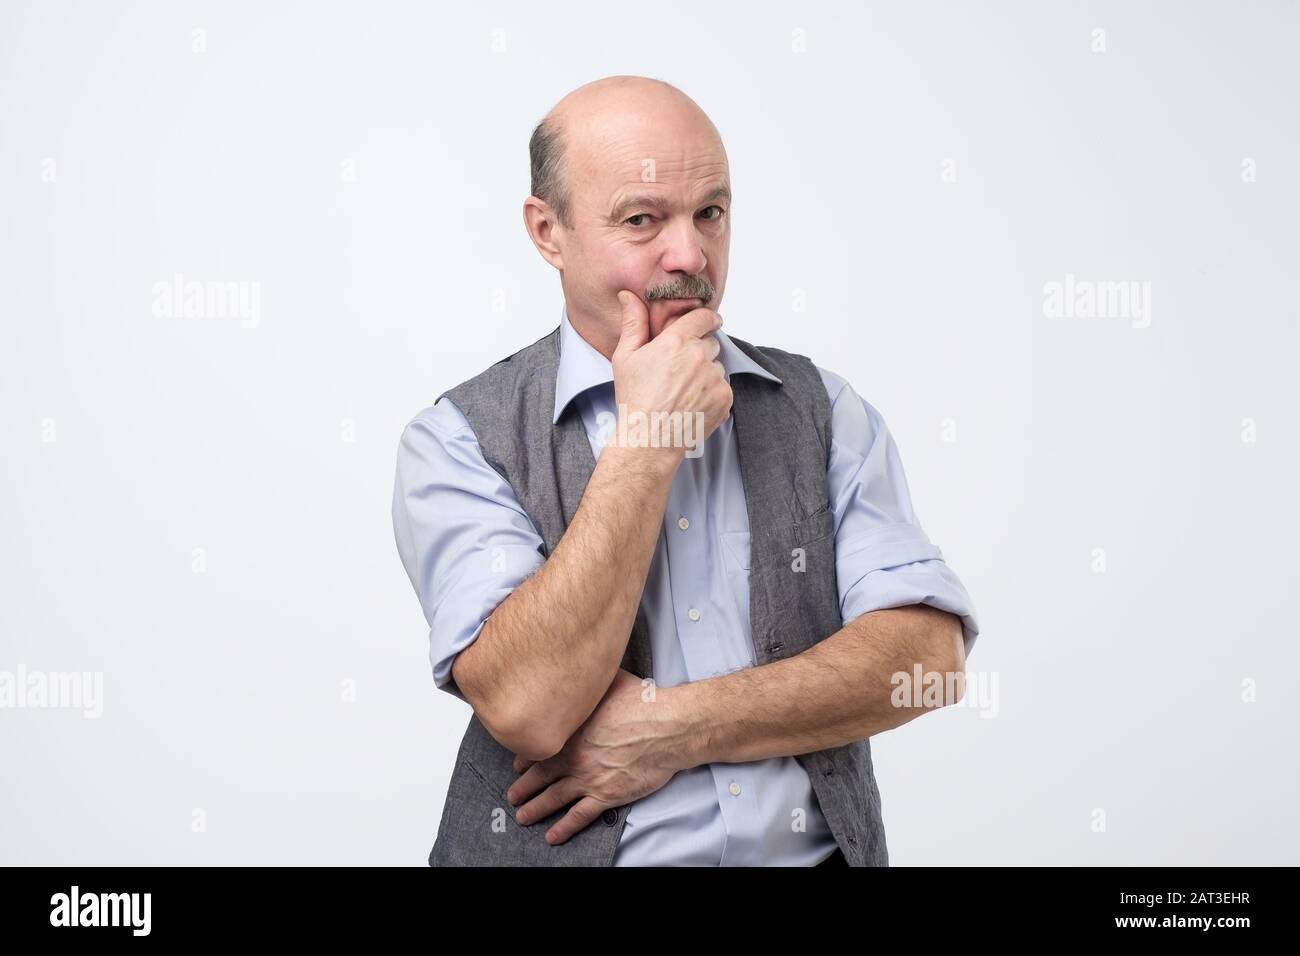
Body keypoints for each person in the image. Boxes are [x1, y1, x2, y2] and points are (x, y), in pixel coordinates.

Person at [392, 75, 980, 866]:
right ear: (548, 231)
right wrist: (648, 441)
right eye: (642, 220)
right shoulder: (458, 438)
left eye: (711, 212)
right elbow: (528, 707)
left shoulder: (821, 409)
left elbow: (928, 663)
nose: (691, 255)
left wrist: (674, 726)